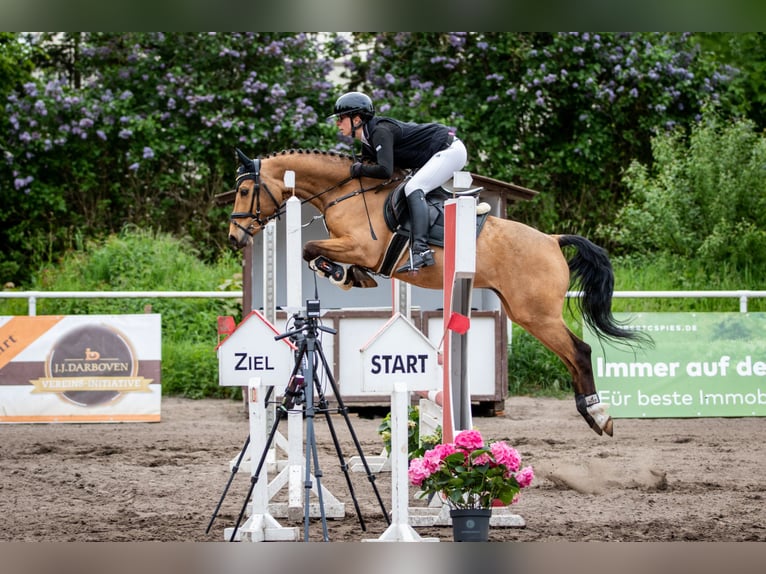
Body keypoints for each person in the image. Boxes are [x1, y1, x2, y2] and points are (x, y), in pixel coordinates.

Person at [330, 91, 468, 273]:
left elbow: (385, 171)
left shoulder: (379, 131)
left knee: (414, 187)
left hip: (449, 149)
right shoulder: (368, 140)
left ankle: (421, 250)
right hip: (435, 154)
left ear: (356, 120)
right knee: (407, 187)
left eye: (341, 118)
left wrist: (359, 169)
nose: (337, 123)